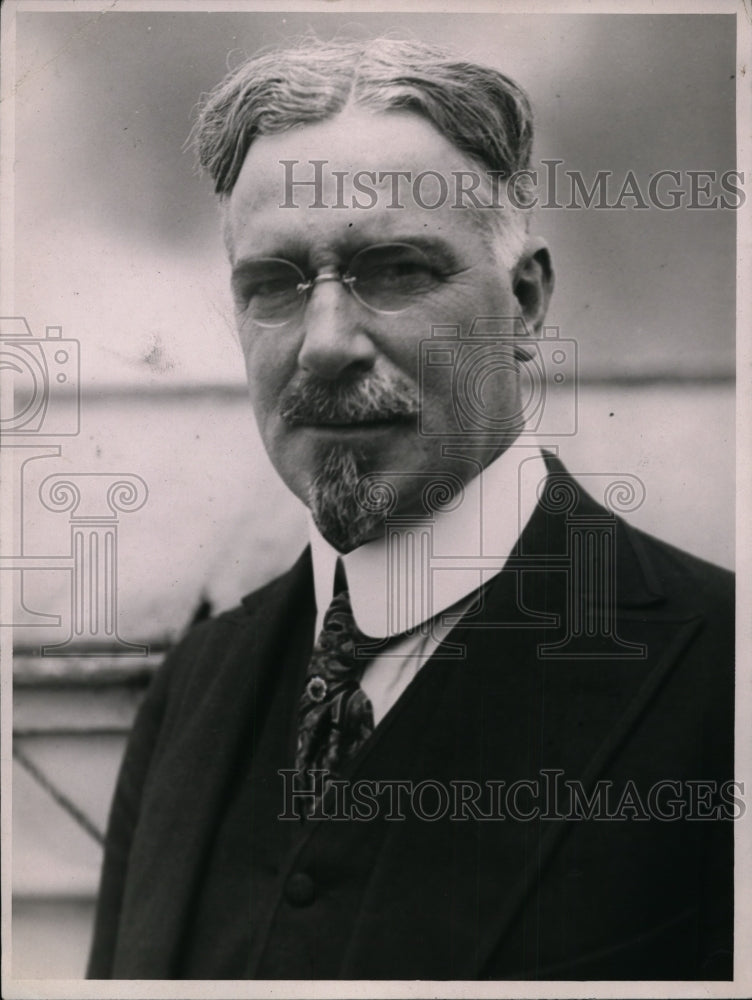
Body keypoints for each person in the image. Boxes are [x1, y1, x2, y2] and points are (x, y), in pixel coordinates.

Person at [87, 36, 734, 981]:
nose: (324, 345)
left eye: (394, 271)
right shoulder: (197, 686)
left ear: (523, 305)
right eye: (272, 285)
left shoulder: (722, 673)